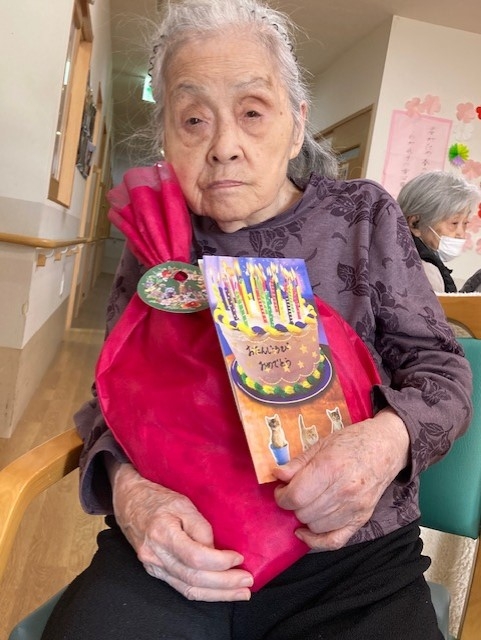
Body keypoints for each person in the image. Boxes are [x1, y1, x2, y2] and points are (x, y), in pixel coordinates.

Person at [42, 1, 473, 638]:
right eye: (194, 119)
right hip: (183, 547)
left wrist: (382, 444)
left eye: (252, 112)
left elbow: (442, 372)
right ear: (165, 137)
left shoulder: (363, 217)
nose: (224, 148)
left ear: (296, 125)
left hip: (348, 557)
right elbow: (112, 398)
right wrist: (130, 493)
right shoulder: (158, 238)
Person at [397, 171, 481, 293]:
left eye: (465, 223)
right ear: (415, 223)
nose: (461, 234)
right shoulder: (424, 272)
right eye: (454, 223)